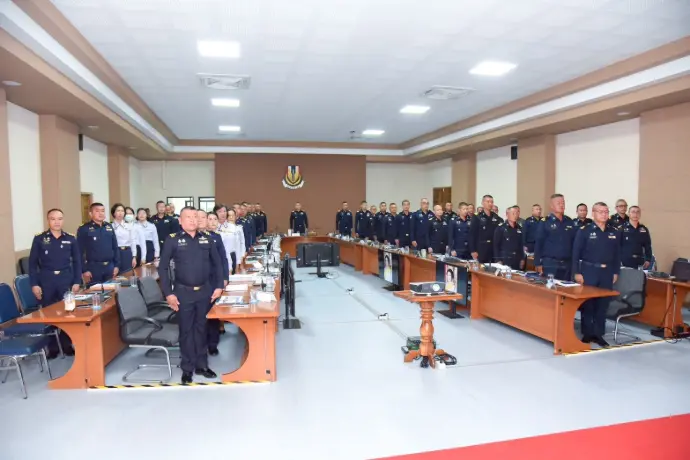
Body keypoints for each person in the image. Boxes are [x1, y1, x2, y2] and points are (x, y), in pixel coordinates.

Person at [159, 207, 223, 384]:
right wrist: (168, 293)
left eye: (195, 216)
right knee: (186, 331)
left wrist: (219, 286)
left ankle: (202, 365)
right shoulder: (173, 240)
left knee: (202, 329)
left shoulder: (207, 239)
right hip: (182, 293)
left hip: (205, 292)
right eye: (188, 217)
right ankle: (187, 369)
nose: (193, 220)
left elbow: (217, 264)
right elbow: (163, 268)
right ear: (180, 221)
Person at [29, 209, 81, 358]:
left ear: (63, 220)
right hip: (47, 280)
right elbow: (32, 264)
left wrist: (77, 281)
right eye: (53, 219)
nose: (57, 222)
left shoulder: (70, 238)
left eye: (59, 219)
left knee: (68, 313)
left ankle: (67, 345)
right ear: (48, 221)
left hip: (66, 280)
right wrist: (34, 284)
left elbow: (77, 262)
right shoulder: (39, 239)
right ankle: (52, 348)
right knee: (49, 315)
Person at [572, 202, 621, 347]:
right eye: (601, 212)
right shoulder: (584, 230)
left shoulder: (613, 231)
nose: (604, 214)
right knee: (588, 303)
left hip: (607, 272)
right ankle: (587, 333)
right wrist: (576, 272)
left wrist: (616, 272)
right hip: (589, 271)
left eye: (606, 212)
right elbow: (575, 254)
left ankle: (599, 334)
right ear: (593, 213)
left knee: (602, 304)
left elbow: (617, 254)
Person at [198, 210, 229, 357]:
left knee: (213, 314)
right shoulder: (191, 237)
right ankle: (200, 344)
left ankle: (213, 344)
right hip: (196, 282)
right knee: (199, 316)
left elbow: (223, 259)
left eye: (210, 219)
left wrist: (224, 277)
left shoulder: (215, 237)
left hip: (212, 280)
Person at [534, 194, 576, 280]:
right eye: (558, 203)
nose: (561, 205)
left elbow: (573, 243)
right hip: (550, 264)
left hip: (567, 264)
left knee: (566, 287)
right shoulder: (545, 222)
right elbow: (539, 243)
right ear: (552, 206)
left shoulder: (569, 221)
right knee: (550, 287)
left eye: (563, 203)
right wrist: (537, 263)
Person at [77, 202, 119, 285]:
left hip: (109, 267)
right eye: (97, 211)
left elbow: (115, 247)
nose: (101, 213)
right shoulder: (84, 229)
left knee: (111, 291)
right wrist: (84, 270)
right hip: (93, 268)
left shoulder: (109, 226)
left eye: (102, 211)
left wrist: (116, 265)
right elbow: (79, 252)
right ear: (90, 214)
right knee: (95, 292)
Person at [469, 195, 501, 263]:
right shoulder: (477, 217)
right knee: (481, 268)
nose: (490, 204)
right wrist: (473, 250)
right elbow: (472, 235)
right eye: (488, 202)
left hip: (493, 249)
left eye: (491, 202)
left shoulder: (496, 217)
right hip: (481, 249)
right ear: (483, 203)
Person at [110, 203, 137, 275]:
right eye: (118, 211)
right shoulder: (110, 226)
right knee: (115, 275)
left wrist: (134, 256)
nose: (120, 213)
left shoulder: (129, 226)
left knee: (127, 275)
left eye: (122, 211)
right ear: (114, 213)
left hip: (127, 252)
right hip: (115, 252)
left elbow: (133, 241)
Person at [216, 208, 245, 273]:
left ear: (236, 216)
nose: (231, 217)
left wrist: (241, 258)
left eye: (233, 215)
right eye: (229, 215)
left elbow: (241, 243)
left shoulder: (238, 228)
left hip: (234, 255)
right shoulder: (220, 228)